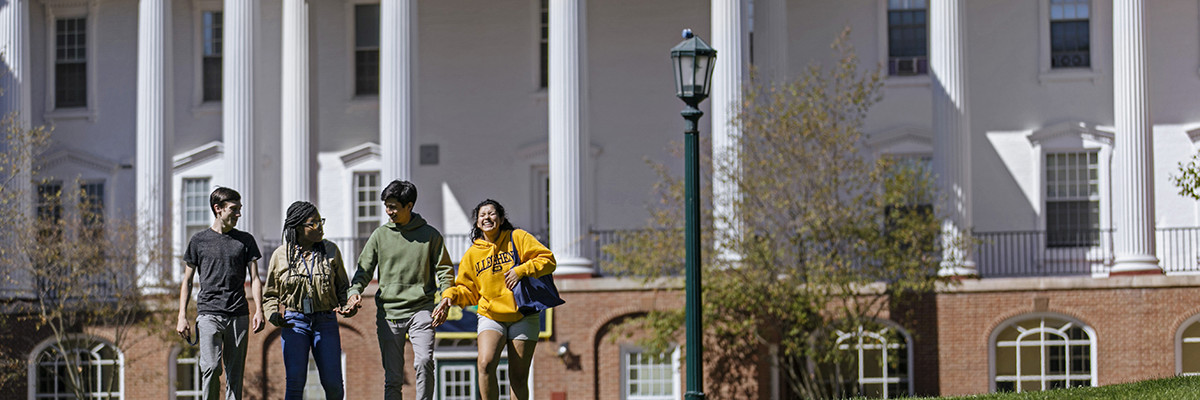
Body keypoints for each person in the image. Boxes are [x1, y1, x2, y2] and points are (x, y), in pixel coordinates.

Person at [434, 199, 556, 400]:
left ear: (500, 219)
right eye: (482, 215)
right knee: (485, 364)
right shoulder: (473, 254)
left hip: (523, 314)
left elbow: (548, 260)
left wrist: (521, 270)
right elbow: (468, 291)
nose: (486, 218)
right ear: (477, 223)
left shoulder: (517, 238)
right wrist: (449, 296)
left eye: (491, 214)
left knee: (518, 377)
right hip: (491, 315)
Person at [344, 180, 455, 400]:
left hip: (421, 310)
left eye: (393, 206)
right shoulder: (379, 236)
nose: (389, 211)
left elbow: (444, 271)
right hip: (389, 313)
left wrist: (446, 296)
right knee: (393, 378)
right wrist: (354, 292)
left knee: (424, 361)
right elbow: (363, 270)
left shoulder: (430, 235)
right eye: (386, 206)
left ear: (409, 205)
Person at [175, 187, 265, 400]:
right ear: (218, 209)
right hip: (208, 313)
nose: (238, 214)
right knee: (212, 367)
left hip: (238, 314)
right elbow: (187, 281)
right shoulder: (198, 241)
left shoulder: (245, 240)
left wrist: (259, 310)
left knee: (235, 374)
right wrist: (181, 317)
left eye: (239, 209)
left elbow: (255, 278)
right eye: (234, 209)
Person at [263, 201, 354, 400]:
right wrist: (273, 314)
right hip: (294, 322)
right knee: (295, 384)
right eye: (313, 223)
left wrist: (349, 305)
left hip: (326, 321)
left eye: (320, 221)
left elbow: (343, 289)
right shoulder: (280, 255)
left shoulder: (331, 250)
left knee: (334, 385)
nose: (320, 227)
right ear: (297, 227)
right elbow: (270, 294)